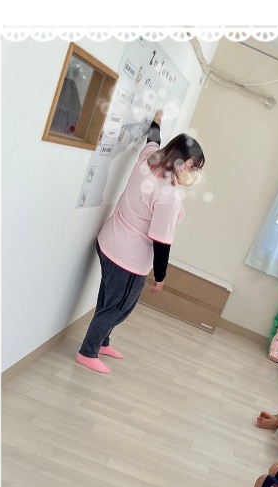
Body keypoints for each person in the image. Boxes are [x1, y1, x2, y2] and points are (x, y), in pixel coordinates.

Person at [75, 111, 205, 374]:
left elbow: (153, 139)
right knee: (118, 308)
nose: (193, 173)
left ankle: (102, 343)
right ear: (180, 162)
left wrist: (157, 121)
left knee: (107, 299)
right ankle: (87, 352)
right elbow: (161, 242)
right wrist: (160, 276)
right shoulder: (168, 196)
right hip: (128, 260)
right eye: (193, 167)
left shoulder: (149, 160)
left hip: (108, 242)